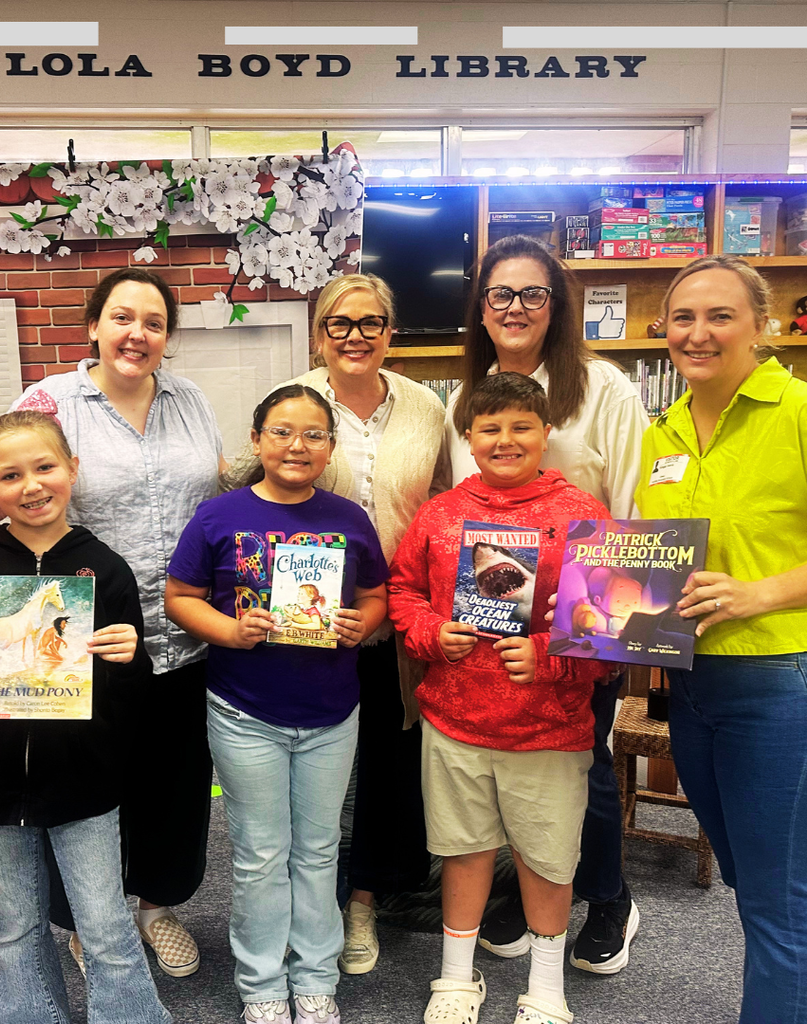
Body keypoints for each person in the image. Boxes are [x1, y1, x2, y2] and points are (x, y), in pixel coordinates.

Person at [0, 267, 219, 976]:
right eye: (122, 318)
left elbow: (218, 489)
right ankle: (84, 920)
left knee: (174, 784)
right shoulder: (49, 401)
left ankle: (157, 909)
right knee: (87, 791)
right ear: (93, 325)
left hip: (181, 635)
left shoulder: (189, 399)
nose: (138, 334)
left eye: (154, 323)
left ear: (167, 338)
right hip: (74, 647)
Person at [0, 410, 170, 1024]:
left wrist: (131, 661)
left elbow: (131, 690)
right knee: (16, 923)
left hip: (85, 781)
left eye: (45, 467)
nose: (31, 485)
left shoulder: (104, 567)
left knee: (104, 922)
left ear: (72, 471)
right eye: (10, 474)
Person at [447, 235, 647, 973]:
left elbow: (631, 511)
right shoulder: (469, 397)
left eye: (533, 293)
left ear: (556, 305)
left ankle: (610, 900)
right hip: (494, 617)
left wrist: (609, 638)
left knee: (583, 768)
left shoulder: (606, 389)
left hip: (581, 620)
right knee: (508, 773)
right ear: (482, 307)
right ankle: (534, 893)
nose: (516, 308)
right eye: (500, 294)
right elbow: (459, 509)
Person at [389, 372, 611, 1024]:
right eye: (490, 428)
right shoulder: (442, 512)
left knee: (546, 859)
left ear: (546, 432)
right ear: (468, 436)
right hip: (455, 722)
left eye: (521, 426)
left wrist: (547, 654)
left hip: (547, 730)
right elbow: (402, 591)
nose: (505, 440)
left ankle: (546, 987)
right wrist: (432, 633)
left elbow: (611, 622)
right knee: (461, 851)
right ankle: (457, 979)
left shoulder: (581, 514)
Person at [165, 385, 389, 1024]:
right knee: (261, 854)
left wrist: (363, 623)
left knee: (318, 850)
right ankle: (262, 983)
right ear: (258, 440)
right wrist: (229, 630)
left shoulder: (349, 518)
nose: (297, 445)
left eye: (314, 434)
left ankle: (315, 976)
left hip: (331, 713)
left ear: (330, 447)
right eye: (283, 431)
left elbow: (377, 595)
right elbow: (180, 595)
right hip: (245, 712)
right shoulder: (218, 517)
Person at [635, 254, 807, 1024]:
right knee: (745, 873)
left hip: (779, 683)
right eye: (682, 318)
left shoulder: (797, 410)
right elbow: (653, 557)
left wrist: (760, 592)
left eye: (720, 315)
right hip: (692, 687)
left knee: (781, 900)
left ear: (762, 326)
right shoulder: (661, 431)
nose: (697, 333)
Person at [277, 272, 449, 975]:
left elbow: (442, 502)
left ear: (390, 333)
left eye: (370, 323)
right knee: (306, 770)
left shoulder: (426, 406)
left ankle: (364, 903)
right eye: (340, 323)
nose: (355, 336)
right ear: (319, 334)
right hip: (311, 618)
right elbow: (254, 481)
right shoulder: (294, 400)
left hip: (397, 619)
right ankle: (298, 904)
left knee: (387, 767)